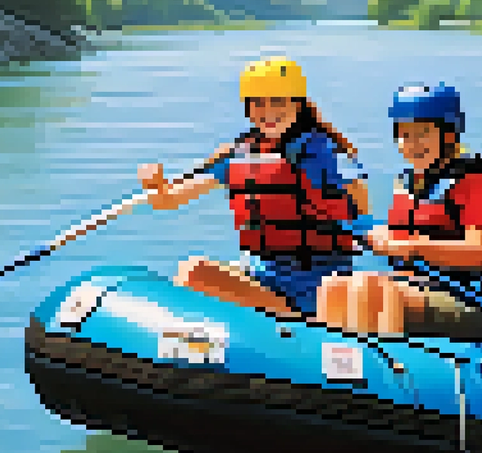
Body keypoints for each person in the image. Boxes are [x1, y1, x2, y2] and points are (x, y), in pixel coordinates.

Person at [137, 57, 369, 318]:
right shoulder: (241, 153)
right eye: (258, 102)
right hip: (265, 275)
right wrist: (154, 184)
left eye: (278, 101)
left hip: (317, 283)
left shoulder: (325, 150)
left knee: (194, 273)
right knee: (187, 273)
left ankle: (301, 323)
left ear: (297, 103)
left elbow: (359, 204)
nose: (268, 111)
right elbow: (166, 200)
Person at [315, 83, 482, 340]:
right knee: (334, 286)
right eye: (404, 135)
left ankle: (394, 373)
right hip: (418, 286)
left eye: (423, 133)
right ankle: (335, 370)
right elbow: (403, 233)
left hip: (476, 302)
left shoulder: (474, 181)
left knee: (377, 290)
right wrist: (372, 236)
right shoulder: (407, 182)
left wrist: (411, 247)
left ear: (449, 134)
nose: (412, 144)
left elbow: (478, 253)